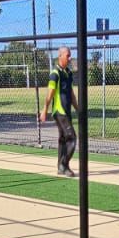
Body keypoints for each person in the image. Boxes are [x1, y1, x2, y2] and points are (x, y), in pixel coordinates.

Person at [38, 46, 79, 177]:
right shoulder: (55, 73)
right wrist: (45, 109)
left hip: (66, 111)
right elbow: (50, 93)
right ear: (60, 56)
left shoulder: (68, 72)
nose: (70, 57)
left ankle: (60, 166)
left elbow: (71, 94)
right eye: (68, 55)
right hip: (59, 111)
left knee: (63, 138)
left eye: (70, 55)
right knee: (72, 137)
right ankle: (63, 165)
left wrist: (78, 109)